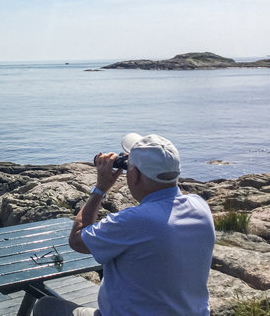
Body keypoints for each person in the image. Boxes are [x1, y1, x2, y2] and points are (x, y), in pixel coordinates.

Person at [33, 133, 215, 316]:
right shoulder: (200, 208)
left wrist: (100, 188)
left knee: (46, 306)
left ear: (134, 175)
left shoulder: (135, 221)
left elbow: (77, 239)